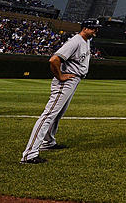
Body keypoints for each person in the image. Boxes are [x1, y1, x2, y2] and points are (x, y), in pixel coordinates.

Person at [20, 19, 100, 164]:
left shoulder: (86, 40)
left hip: (74, 79)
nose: (96, 31)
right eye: (94, 28)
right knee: (48, 115)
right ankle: (29, 154)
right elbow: (54, 60)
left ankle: (48, 142)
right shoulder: (75, 41)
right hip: (66, 81)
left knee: (58, 114)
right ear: (85, 28)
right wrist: (60, 76)